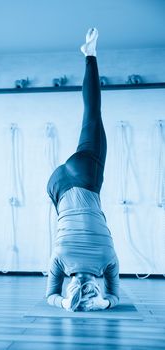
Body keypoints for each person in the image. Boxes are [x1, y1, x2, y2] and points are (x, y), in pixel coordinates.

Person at [46, 28, 120, 312]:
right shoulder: (59, 260)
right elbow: (50, 295)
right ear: (70, 285)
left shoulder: (107, 260)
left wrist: (104, 303)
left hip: (84, 176)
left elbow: (116, 296)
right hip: (55, 185)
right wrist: (65, 303)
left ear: (96, 286)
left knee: (92, 113)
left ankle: (90, 56)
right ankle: (89, 56)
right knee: (64, 217)